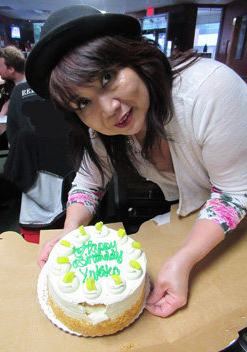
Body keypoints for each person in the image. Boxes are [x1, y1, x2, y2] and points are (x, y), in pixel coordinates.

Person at [25, 5, 247, 318]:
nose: (109, 109)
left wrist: (183, 259)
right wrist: (71, 230)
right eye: (83, 102)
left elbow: (232, 193)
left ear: (135, 56)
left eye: (106, 77)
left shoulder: (209, 92)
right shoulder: (102, 131)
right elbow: (89, 182)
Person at [4, 81, 74, 243]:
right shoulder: (76, 90)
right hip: (87, 210)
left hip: (38, 218)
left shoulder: (19, 92)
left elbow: (11, 144)